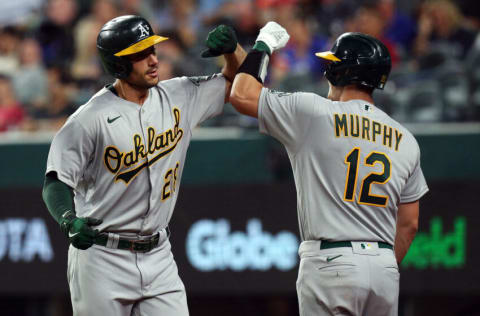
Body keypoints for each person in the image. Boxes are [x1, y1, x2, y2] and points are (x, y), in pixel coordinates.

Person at [42, 15, 245, 316]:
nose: (153, 60)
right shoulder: (88, 119)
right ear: (119, 64)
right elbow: (56, 180)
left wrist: (233, 51)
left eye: (153, 50)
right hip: (102, 258)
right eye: (140, 54)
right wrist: (68, 219)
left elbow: (240, 84)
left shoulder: (179, 95)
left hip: (159, 254)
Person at [230, 22, 429, 315]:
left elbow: (242, 94)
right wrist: (377, 264)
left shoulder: (315, 112)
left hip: (331, 261)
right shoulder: (405, 139)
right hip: (384, 267)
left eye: (332, 65)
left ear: (341, 72)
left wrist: (263, 45)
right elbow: (409, 224)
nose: (327, 72)